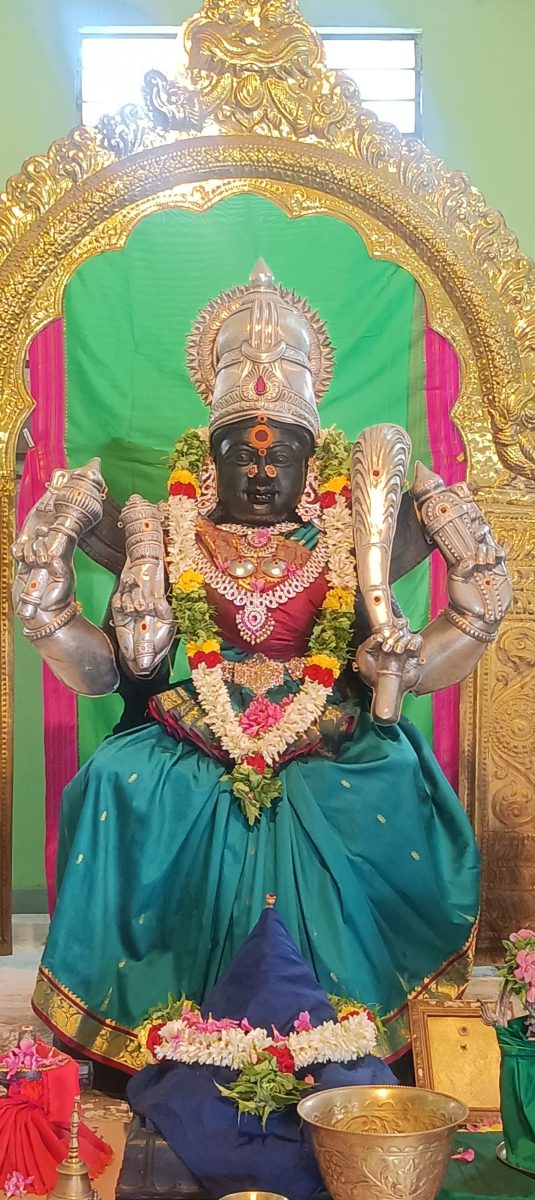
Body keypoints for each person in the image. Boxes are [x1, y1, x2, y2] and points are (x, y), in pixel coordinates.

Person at [12, 261, 511, 1071]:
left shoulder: (348, 538)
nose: (260, 470)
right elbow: (107, 673)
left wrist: (399, 660)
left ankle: (347, 1018)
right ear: (208, 460)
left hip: (327, 721)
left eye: (282, 455)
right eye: (239, 455)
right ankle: (155, 1018)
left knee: (388, 782)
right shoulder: (165, 531)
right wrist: (49, 597)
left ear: (311, 463)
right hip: (193, 723)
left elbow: (469, 613)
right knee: (115, 781)